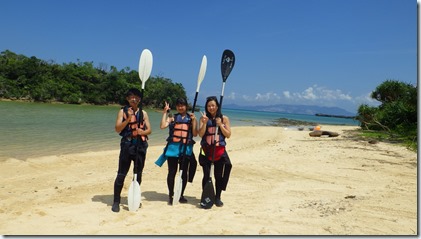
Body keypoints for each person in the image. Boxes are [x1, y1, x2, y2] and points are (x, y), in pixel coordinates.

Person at [112, 88, 152, 212]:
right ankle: (116, 201)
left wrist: (142, 132)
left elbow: (149, 130)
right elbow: (118, 129)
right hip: (127, 145)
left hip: (140, 146)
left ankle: (135, 197)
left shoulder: (143, 113)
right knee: (121, 173)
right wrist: (129, 119)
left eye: (136, 97)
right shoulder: (122, 112)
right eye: (131, 97)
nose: (133, 99)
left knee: (137, 174)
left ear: (139, 99)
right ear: (127, 99)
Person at [160, 98, 198, 205]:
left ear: (186, 106)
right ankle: (171, 194)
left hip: (185, 149)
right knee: (172, 172)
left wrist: (194, 121)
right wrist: (164, 113)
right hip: (173, 148)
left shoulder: (191, 118)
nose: (180, 107)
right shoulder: (172, 117)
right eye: (178, 105)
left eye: (182, 105)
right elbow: (162, 126)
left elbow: (195, 134)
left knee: (184, 173)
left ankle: (180, 194)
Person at [198, 96, 232, 207]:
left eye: (213, 105)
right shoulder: (203, 118)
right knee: (207, 175)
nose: (211, 108)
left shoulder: (224, 118)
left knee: (218, 175)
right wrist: (203, 123)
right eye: (209, 106)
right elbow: (201, 134)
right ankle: (206, 196)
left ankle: (217, 197)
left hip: (219, 151)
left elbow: (228, 135)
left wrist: (220, 125)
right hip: (206, 151)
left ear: (217, 106)